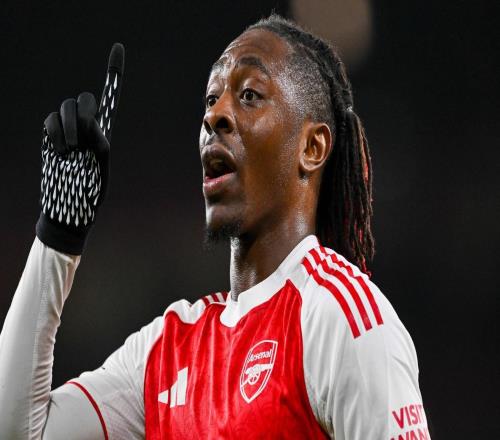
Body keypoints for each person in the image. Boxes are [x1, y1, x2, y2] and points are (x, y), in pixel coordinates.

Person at [0, 14, 430, 440]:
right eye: (210, 100)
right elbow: (20, 430)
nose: (215, 115)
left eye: (249, 95)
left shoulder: (338, 318)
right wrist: (58, 236)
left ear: (312, 147)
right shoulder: (166, 350)